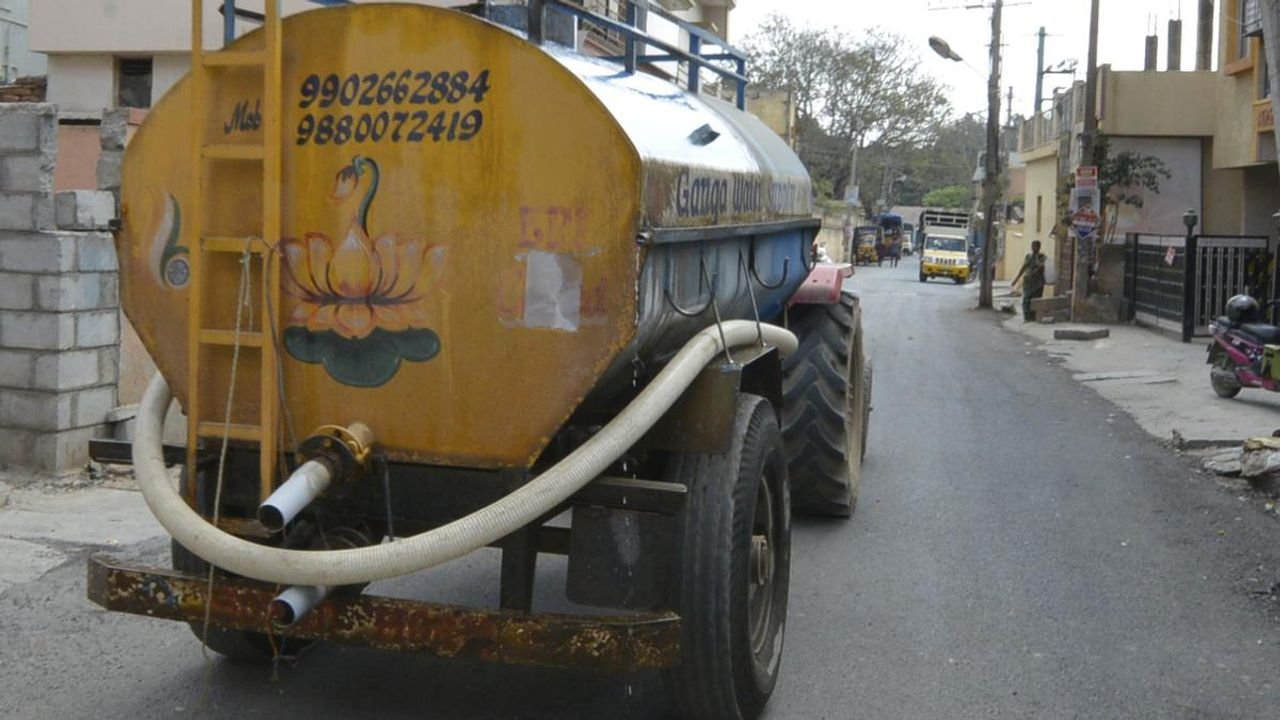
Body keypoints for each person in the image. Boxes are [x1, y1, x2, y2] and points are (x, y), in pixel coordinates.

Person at [1011, 240, 1047, 322]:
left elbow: (1042, 266)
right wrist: (1016, 279)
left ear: (1039, 247)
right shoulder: (1028, 256)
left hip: (1038, 283)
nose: (1034, 248)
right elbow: (1023, 268)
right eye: (1033, 246)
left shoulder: (1042, 257)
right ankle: (1027, 317)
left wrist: (1037, 258)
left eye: (1036, 246)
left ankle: (1034, 317)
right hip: (1028, 282)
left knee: (1036, 300)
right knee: (1026, 299)